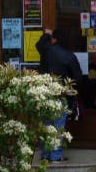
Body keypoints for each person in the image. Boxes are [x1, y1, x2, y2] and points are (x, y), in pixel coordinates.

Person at [35, 28, 82, 162]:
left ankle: (45, 155)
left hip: (44, 94)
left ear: (54, 39)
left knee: (46, 126)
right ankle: (55, 156)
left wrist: (46, 35)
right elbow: (77, 78)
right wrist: (71, 92)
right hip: (61, 95)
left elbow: (39, 45)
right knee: (58, 126)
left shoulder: (46, 51)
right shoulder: (69, 56)